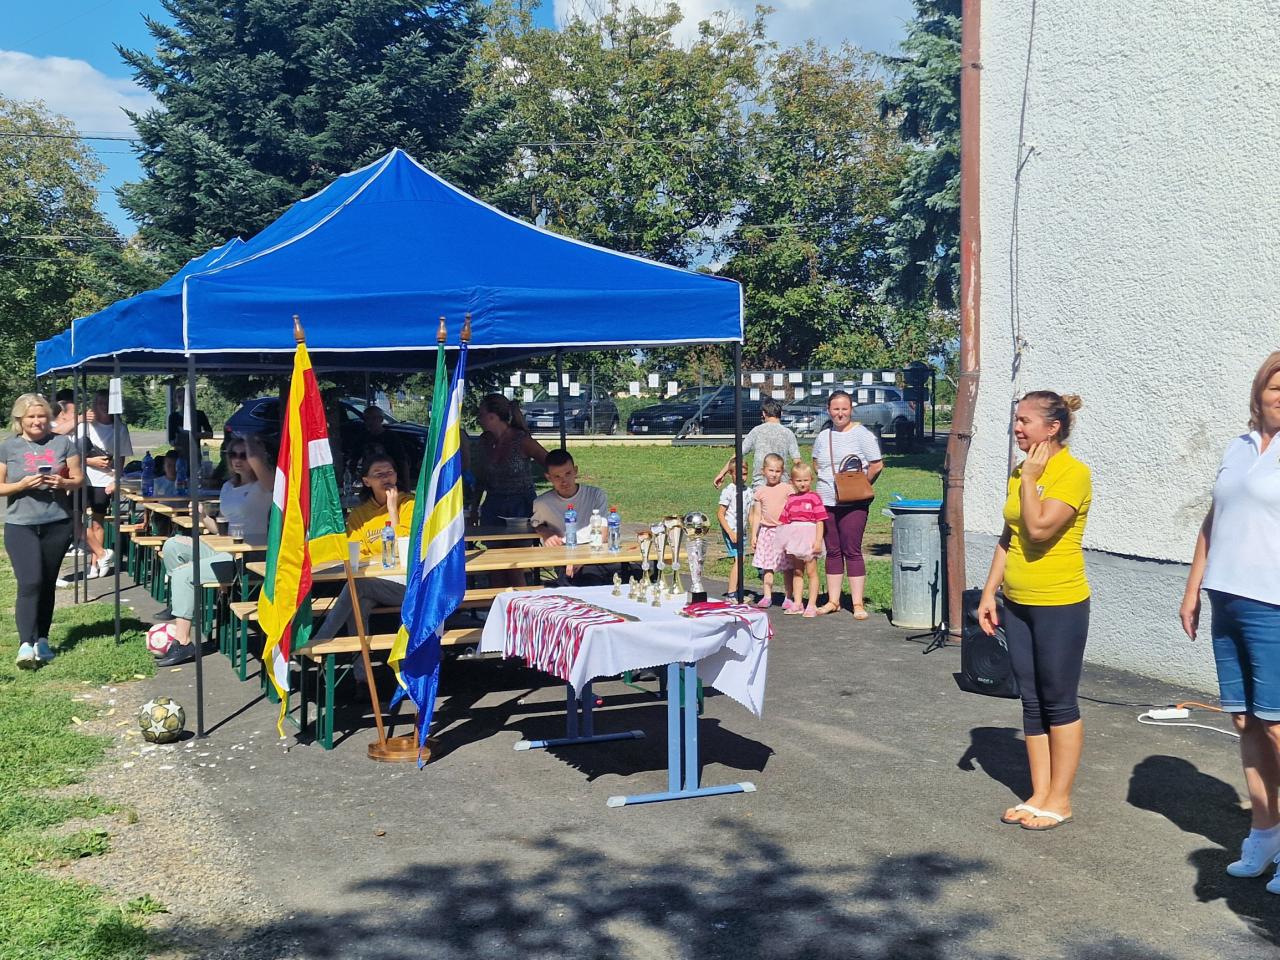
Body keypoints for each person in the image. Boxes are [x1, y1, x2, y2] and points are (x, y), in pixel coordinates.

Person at [1180, 352, 1280, 889]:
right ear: (1260, 391)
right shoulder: (1237, 447)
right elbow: (1214, 519)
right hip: (1227, 597)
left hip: (1274, 604)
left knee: (1278, 723)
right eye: (1277, 387)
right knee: (1246, 721)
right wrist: (1194, 586)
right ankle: (1265, 833)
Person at [977, 391, 1091, 832]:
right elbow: (1010, 537)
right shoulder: (1021, 471)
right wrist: (990, 593)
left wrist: (1030, 478)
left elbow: (1040, 528)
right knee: (1030, 699)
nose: (1017, 427)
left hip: (1060, 603)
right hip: (1018, 602)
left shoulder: (1072, 473)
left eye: (1025, 420)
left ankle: (1060, 799)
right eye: (1016, 419)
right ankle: (1039, 794)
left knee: (1058, 699)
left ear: (1053, 427)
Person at [152, 434, 272, 665]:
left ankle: (183, 642)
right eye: (233, 454)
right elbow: (221, 530)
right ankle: (182, 607)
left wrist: (252, 446)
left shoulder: (264, 487)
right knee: (173, 545)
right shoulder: (228, 487)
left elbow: (269, 481)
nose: (238, 459)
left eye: (244, 455)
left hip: (250, 556)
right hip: (227, 548)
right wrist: (202, 517)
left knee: (185, 574)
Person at [0, 394, 82, 667]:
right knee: (30, 582)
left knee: (47, 582)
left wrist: (63, 483)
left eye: (42, 416)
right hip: (20, 524)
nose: (37, 421)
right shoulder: (8, 447)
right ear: (20, 419)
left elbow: (79, 479)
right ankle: (25, 645)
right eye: (32, 417)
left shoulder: (63, 443)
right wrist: (22, 485)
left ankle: (42, 640)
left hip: (57, 522)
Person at [312, 454, 415, 644]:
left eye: (389, 472)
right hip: (377, 579)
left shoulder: (409, 505)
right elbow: (356, 553)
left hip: (407, 582)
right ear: (367, 481)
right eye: (378, 474)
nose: (385, 477)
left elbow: (404, 547)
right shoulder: (360, 515)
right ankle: (360, 662)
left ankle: (320, 641)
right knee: (359, 603)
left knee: (357, 586)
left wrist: (392, 510)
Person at [811, 390, 882, 618]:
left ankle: (857, 603)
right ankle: (833, 601)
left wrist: (860, 485)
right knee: (832, 551)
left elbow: (876, 465)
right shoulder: (824, 436)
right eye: (835, 409)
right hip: (826, 502)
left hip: (854, 504)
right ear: (828, 410)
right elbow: (816, 463)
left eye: (844, 409)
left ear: (851, 410)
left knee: (852, 550)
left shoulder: (862, 435)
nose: (840, 413)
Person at [531, 448, 613, 586]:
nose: (564, 481)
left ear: (575, 471)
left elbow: (603, 535)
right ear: (548, 478)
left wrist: (582, 558)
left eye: (568, 474)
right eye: (557, 477)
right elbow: (535, 524)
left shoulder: (595, 495)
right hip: (565, 554)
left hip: (594, 551)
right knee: (577, 581)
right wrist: (546, 532)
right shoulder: (542, 503)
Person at [76, 389, 132, 578]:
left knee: (97, 523)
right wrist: (90, 462)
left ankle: (95, 564)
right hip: (83, 478)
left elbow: (121, 458)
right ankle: (101, 554)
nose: (103, 407)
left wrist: (116, 481)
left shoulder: (119, 428)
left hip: (104, 480)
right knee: (75, 520)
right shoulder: (85, 426)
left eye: (107, 403)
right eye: (100, 403)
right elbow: (72, 455)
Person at [473, 393, 548, 524]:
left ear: (493, 417)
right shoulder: (484, 441)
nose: (479, 419)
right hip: (492, 506)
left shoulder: (522, 440)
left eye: (481, 414)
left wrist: (553, 500)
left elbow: (553, 463)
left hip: (521, 507)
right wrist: (474, 508)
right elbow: (481, 477)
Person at [713, 398, 802, 489]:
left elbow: (738, 454)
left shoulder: (757, 431)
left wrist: (722, 473)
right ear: (781, 413)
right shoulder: (788, 433)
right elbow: (797, 461)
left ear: (764, 413)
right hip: (782, 484)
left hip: (760, 484)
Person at [775, 462, 826, 617]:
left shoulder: (814, 498)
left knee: (811, 571)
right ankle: (797, 603)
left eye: (805, 480)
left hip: (810, 538)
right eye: (798, 480)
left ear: (811, 479)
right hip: (795, 539)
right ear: (792, 481)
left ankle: (812, 604)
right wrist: (785, 542)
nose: (802, 484)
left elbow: (820, 521)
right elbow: (784, 521)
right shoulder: (791, 499)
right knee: (797, 571)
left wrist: (818, 541)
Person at [748, 453, 794, 608]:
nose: (774, 474)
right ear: (763, 471)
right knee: (767, 566)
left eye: (777, 471)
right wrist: (754, 534)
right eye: (771, 470)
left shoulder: (787, 489)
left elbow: (793, 509)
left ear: (782, 472)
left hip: (783, 531)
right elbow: (757, 515)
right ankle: (767, 595)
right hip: (766, 532)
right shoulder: (760, 491)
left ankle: (788, 596)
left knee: (787, 567)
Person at [717, 459, 754, 600]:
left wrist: (753, 532)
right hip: (731, 529)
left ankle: (737, 591)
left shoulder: (749, 491)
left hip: (741, 531)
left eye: (744, 474)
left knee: (740, 560)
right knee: (740, 559)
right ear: (731, 474)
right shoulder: (729, 491)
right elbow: (720, 514)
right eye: (738, 475)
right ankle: (732, 593)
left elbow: (750, 515)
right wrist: (730, 532)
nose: (742, 478)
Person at [351, 405, 409, 488]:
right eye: (367, 419)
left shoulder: (391, 437)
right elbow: (354, 459)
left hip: (388, 479)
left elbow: (402, 461)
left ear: (381, 419)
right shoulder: (362, 438)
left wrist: (406, 484)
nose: (370, 422)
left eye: (374, 418)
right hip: (370, 480)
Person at [166, 387, 213, 452]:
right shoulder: (173, 417)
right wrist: (178, 439)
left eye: (185, 397)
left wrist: (194, 435)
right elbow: (171, 441)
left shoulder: (199, 414)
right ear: (175, 400)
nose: (183, 400)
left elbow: (210, 434)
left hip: (195, 452)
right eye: (179, 397)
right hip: (179, 453)